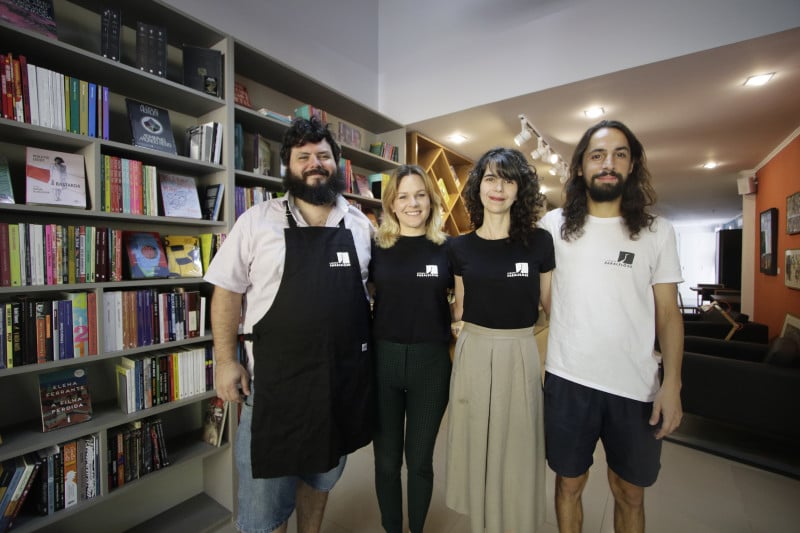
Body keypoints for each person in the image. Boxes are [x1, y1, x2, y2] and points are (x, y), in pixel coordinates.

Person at [204, 116, 375, 533]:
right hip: (274, 389)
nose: (315, 163)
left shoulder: (360, 225)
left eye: (323, 155)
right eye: (304, 157)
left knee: (319, 484)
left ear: (336, 163)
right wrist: (226, 361)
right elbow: (226, 291)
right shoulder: (257, 221)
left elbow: (373, 295)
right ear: (288, 168)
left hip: (339, 385)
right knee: (263, 505)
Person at [539, 120, 684, 533]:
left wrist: (672, 384)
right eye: (598, 155)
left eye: (620, 154)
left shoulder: (658, 232)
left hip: (636, 386)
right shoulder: (553, 226)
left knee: (629, 491)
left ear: (632, 164)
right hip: (568, 380)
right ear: (581, 166)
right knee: (569, 483)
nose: (608, 163)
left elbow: (669, 315)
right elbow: (547, 299)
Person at [446, 147, 554, 533]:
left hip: (520, 351)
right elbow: (459, 308)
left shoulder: (539, 243)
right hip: (474, 351)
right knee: (477, 442)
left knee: (519, 446)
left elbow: (551, 307)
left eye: (508, 180)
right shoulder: (457, 247)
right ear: (478, 187)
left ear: (519, 190)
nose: (498, 188)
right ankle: (481, 521)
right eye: (490, 178)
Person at [369, 165, 453, 533]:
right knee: (386, 463)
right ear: (391, 203)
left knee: (419, 461)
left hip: (431, 366)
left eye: (419, 194)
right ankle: (392, 528)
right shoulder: (375, 247)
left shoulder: (449, 249)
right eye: (403, 196)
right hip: (383, 362)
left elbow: (466, 302)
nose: (412, 203)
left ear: (431, 200)